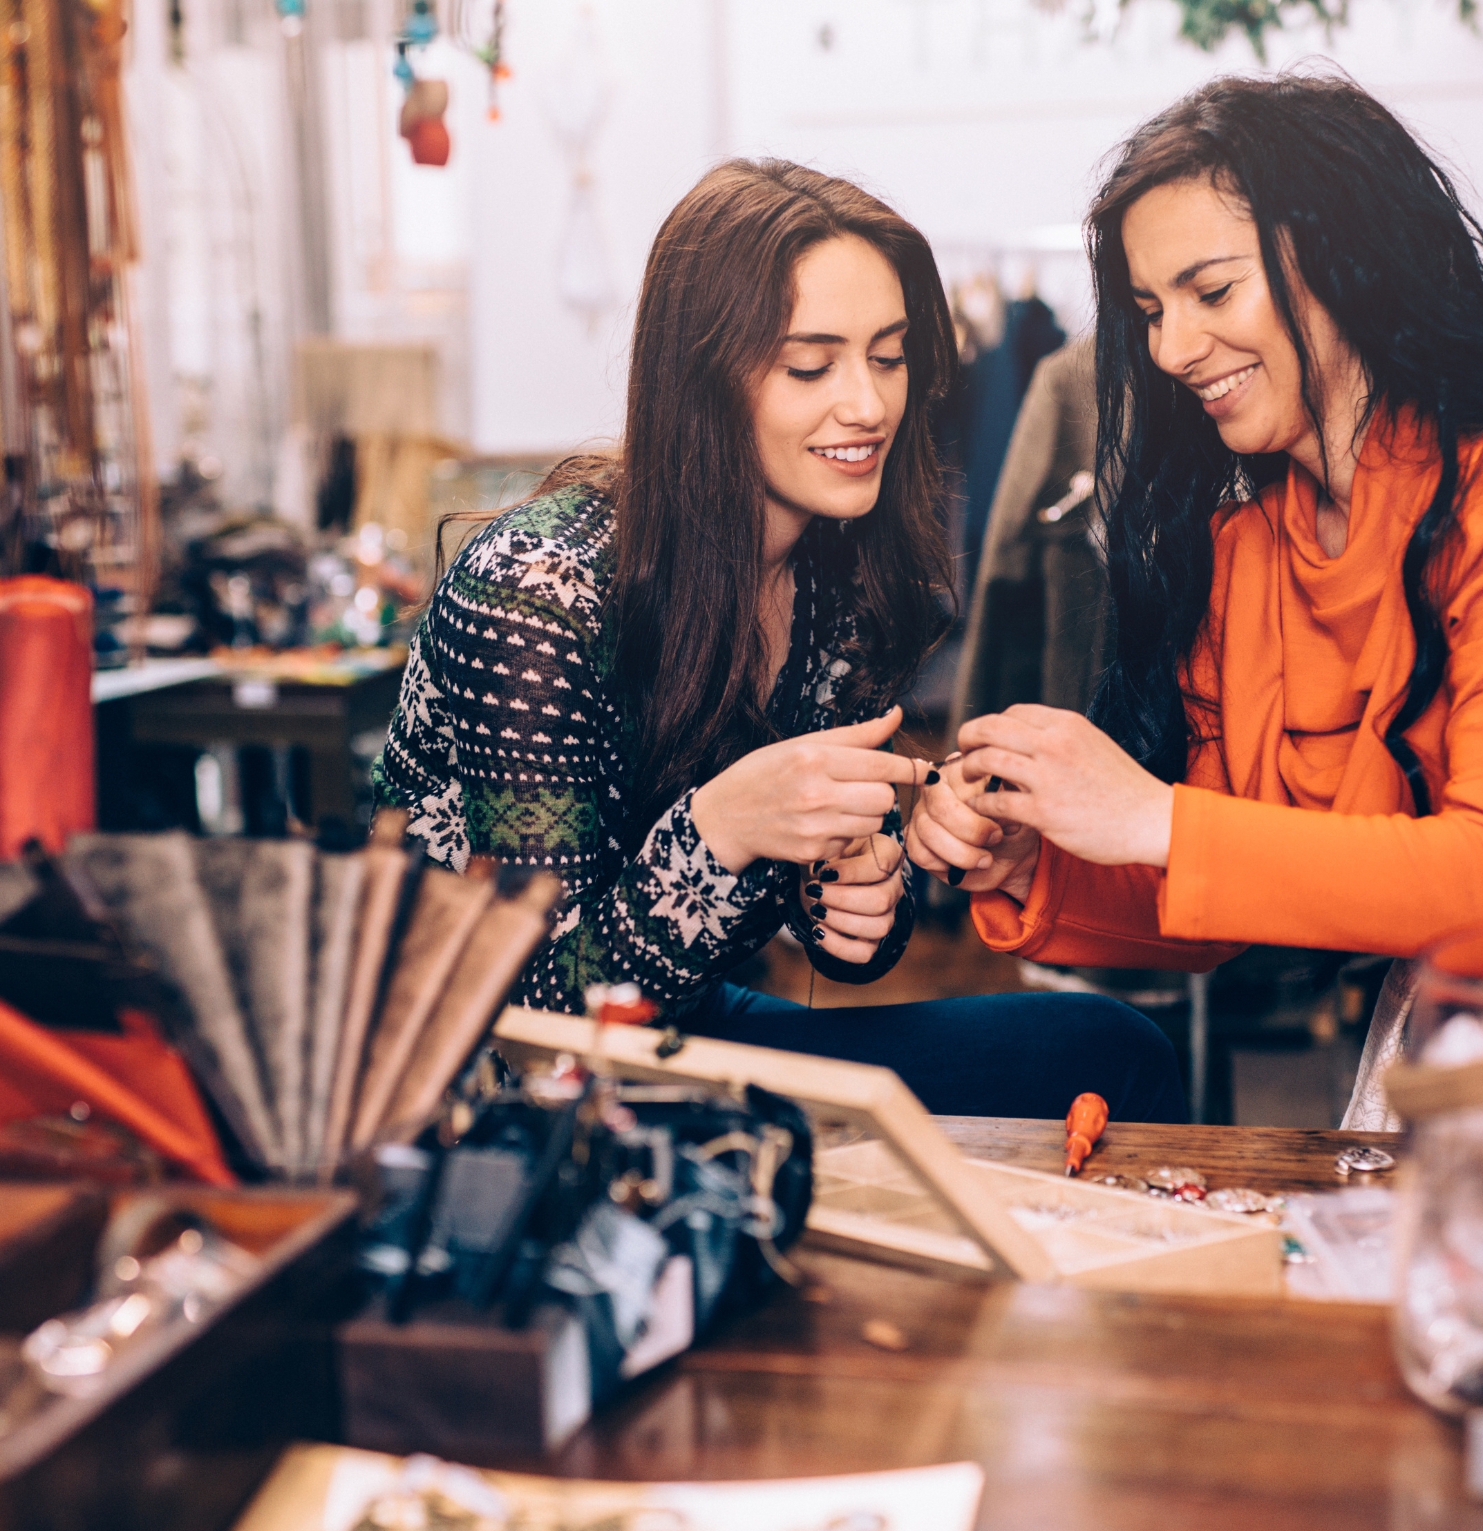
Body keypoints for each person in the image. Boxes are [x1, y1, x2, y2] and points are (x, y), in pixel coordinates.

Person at [906, 73, 1483, 1127]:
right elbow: (1230, 886)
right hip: (1471, 1018)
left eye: (1211, 292)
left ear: (1340, 261)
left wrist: (1149, 817)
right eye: (1150, 311)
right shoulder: (1244, 548)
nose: (1168, 349)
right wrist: (1043, 865)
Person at [374, 159, 1184, 1123]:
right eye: (812, 365)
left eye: (888, 356)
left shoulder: (840, 573)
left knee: (1107, 1051)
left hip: (672, 1030)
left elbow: (838, 927)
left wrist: (857, 890)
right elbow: (536, 1017)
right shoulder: (536, 592)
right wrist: (721, 829)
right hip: (472, 1093)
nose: (869, 404)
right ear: (703, 382)